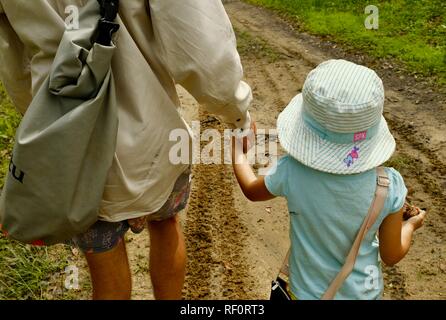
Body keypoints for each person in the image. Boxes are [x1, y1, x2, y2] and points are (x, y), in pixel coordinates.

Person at [0, 0, 253, 300]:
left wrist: (42, 125)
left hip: (71, 147)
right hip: (155, 133)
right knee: (166, 223)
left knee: (103, 259)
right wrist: (236, 111)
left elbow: (12, 58)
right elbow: (199, 45)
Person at [232, 59, 427, 300]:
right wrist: (410, 226)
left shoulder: (291, 171)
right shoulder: (389, 185)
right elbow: (391, 255)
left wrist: (240, 153)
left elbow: (251, 189)